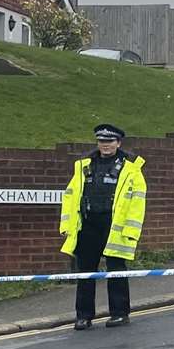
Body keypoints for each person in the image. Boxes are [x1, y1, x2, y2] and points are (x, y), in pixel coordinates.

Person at [59, 123, 147, 329]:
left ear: (118, 143)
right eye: (101, 141)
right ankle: (83, 316)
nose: (105, 145)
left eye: (109, 141)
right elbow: (70, 196)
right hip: (88, 224)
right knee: (85, 272)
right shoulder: (84, 165)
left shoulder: (131, 168)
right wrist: (68, 226)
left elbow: (137, 201)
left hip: (114, 225)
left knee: (116, 270)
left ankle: (119, 313)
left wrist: (131, 231)